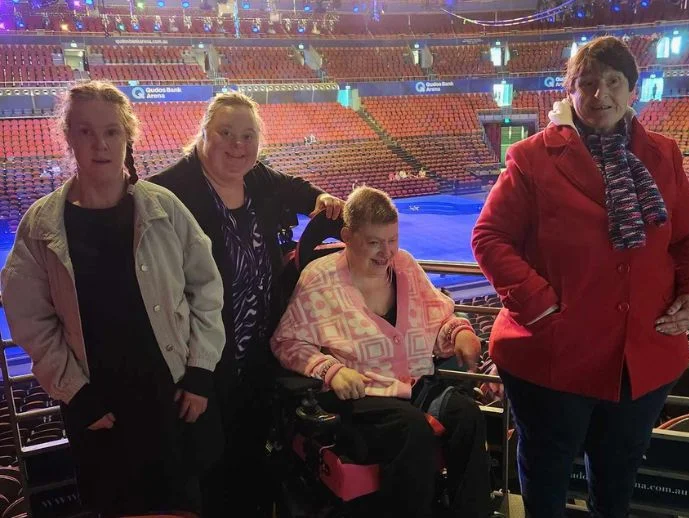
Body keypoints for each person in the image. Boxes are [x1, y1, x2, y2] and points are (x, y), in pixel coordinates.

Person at [471, 36, 689, 518]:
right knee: (545, 477)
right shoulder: (533, 157)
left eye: (612, 82)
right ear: (570, 92)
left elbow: (688, 238)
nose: (599, 93)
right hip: (552, 355)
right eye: (587, 83)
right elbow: (490, 238)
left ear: (632, 91)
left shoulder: (664, 154)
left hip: (639, 357)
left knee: (617, 477)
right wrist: (541, 306)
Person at [0, 81, 226, 517]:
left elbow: (207, 290)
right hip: (97, 403)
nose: (99, 144)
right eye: (85, 131)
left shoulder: (166, 208)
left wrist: (200, 372)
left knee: (182, 505)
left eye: (111, 132)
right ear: (67, 136)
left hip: (173, 395)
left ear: (128, 137)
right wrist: (75, 393)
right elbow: (30, 320)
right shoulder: (41, 225)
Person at [149, 91, 344, 518]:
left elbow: (295, 189)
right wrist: (194, 373)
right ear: (202, 134)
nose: (237, 145)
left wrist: (321, 200)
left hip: (257, 351)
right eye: (225, 133)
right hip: (200, 363)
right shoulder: (167, 192)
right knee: (210, 467)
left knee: (253, 460)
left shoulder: (256, 179)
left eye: (247, 135)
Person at [271, 186, 490, 518]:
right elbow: (286, 342)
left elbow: (438, 318)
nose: (386, 252)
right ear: (347, 235)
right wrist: (331, 369)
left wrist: (460, 332)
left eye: (392, 240)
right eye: (374, 242)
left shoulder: (405, 266)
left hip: (413, 385)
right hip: (359, 393)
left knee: (468, 416)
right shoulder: (320, 278)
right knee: (412, 430)